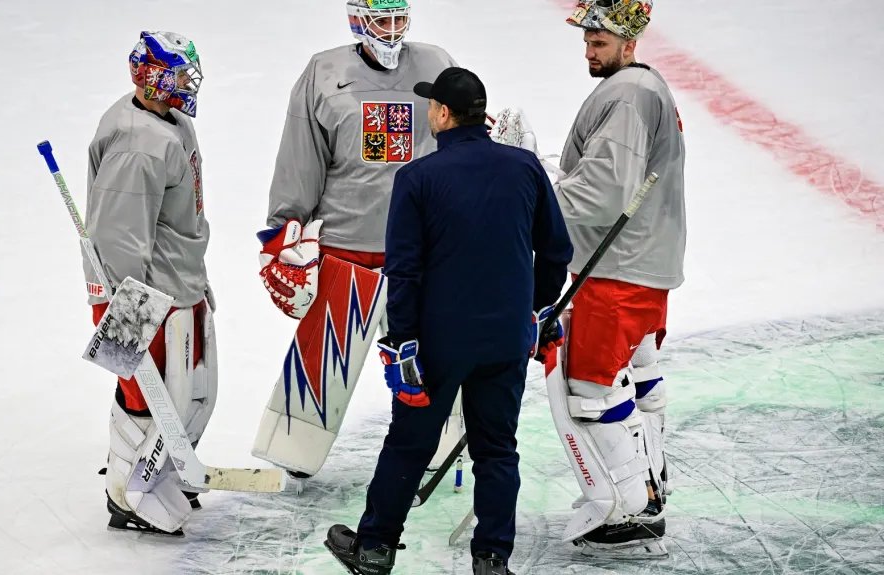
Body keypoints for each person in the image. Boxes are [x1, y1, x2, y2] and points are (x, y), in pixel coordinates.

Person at [324, 67, 574, 575]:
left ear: (441, 113)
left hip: (438, 344)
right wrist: (539, 311)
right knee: (498, 448)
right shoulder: (526, 167)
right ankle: (491, 560)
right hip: (506, 338)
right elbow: (556, 251)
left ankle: (374, 549)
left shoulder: (417, 178)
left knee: (410, 443)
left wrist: (401, 342)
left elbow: (405, 269)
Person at [253, 0, 461, 483]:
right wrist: (284, 233)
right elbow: (299, 160)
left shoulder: (437, 63)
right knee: (323, 366)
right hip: (347, 249)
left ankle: (433, 446)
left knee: (428, 362)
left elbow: (461, 143)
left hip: (421, 251)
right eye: (380, 21)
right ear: (356, 21)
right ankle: (297, 443)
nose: (391, 32)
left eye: (398, 19)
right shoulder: (324, 73)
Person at [515, 0, 686, 559]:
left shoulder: (628, 94)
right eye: (587, 41)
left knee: (588, 386)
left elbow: (605, 192)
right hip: (643, 264)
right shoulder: (647, 88)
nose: (589, 51)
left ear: (630, 44)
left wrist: (533, 197)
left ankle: (629, 508)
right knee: (638, 376)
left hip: (617, 270)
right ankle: (649, 490)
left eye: (600, 44)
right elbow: (606, 178)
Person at [84, 31, 217, 536]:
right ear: (155, 78)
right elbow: (118, 238)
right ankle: (127, 493)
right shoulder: (139, 143)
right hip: (147, 294)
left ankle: (165, 473)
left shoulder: (172, 123)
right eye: (181, 74)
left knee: (192, 391)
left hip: (181, 281)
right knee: (146, 391)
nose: (189, 84)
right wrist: (127, 320)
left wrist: (198, 278)